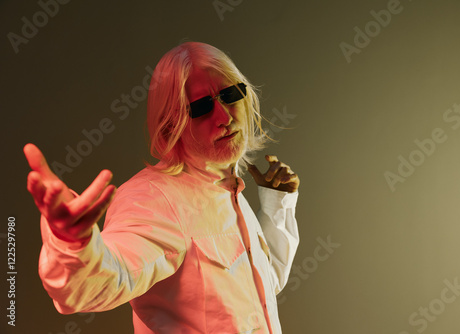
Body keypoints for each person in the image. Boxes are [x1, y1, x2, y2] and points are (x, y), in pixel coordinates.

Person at [24, 41, 300, 334]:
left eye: (230, 94)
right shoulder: (153, 199)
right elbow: (99, 284)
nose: (225, 118)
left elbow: (261, 290)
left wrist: (277, 204)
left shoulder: (228, 189)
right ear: (171, 125)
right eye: (201, 107)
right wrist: (71, 242)